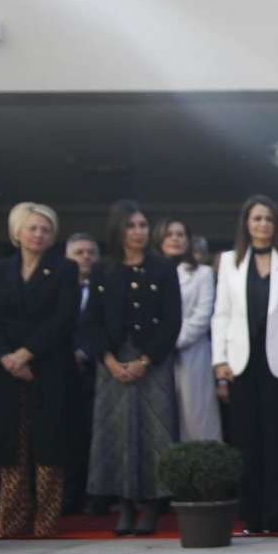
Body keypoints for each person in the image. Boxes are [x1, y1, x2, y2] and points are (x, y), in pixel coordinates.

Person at [212, 195, 278, 535]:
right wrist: (219, 360)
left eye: (268, 219)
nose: (263, 225)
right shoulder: (228, 261)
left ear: (276, 225)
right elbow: (221, 313)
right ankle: (251, 516)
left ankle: (275, 515)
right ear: (246, 223)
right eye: (256, 219)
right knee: (245, 439)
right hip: (240, 363)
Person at [86, 200, 183, 536]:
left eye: (143, 225)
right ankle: (124, 504)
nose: (139, 231)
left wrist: (145, 361)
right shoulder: (102, 269)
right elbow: (91, 321)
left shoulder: (163, 268)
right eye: (131, 225)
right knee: (118, 433)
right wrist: (110, 361)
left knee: (155, 433)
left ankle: (152, 506)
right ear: (118, 230)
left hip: (151, 361)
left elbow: (172, 321)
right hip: (112, 362)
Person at [0, 203, 80, 537]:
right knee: (10, 448)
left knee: (49, 449)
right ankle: (11, 524)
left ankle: (45, 524)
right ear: (17, 232)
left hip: (48, 368)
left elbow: (65, 318)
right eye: (32, 228)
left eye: (45, 229)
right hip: (6, 373)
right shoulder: (0, 270)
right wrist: (8, 357)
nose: (39, 234)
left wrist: (26, 354)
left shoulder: (64, 269)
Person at [154, 218, 220, 442]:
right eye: (169, 234)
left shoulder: (203, 273)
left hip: (192, 352)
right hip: (154, 356)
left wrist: (171, 340)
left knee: (196, 420)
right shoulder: (148, 272)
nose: (175, 238)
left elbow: (203, 314)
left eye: (180, 234)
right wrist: (157, 345)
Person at [62, 232, 100, 515]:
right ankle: (67, 497)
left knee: (92, 436)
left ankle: (93, 497)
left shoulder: (104, 288)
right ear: (67, 258)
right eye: (79, 252)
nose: (85, 256)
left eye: (90, 252)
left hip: (94, 373)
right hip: (57, 372)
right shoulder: (55, 288)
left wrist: (83, 353)